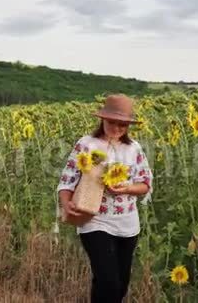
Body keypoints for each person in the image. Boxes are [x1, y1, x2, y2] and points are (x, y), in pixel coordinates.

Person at [56, 93, 153, 303]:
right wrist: (66, 203)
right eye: (112, 122)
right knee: (107, 280)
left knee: (120, 284)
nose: (117, 128)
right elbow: (67, 179)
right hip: (93, 219)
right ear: (102, 119)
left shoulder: (133, 148)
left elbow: (145, 184)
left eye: (123, 125)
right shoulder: (87, 144)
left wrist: (127, 188)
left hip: (127, 223)